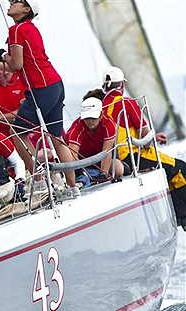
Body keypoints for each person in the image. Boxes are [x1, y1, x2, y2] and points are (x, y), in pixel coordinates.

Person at [0, 0, 77, 192]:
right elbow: (22, 64)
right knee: (57, 138)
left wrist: (3, 56)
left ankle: (41, 180)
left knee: (16, 132)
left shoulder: (16, 30)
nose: (10, 4)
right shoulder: (31, 28)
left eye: (16, 1)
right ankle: (73, 187)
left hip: (40, 88)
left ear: (26, 9)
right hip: (54, 84)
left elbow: (16, 64)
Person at [102, 66, 186, 228]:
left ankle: (180, 216)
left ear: (105, 86)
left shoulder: (102, 106)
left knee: (169, 171)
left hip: (116, 159)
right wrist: (152, 137)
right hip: (132, 154)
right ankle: (183, 218)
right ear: (122, 86)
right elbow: (145, 137)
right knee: (180, 168)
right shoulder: (127, 102)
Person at [66, 97, 123, 187]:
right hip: (84, 163)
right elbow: (73, 154)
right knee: (82, 178)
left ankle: (94, 177)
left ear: (101, 115)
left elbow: (107, 152)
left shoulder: (109, 124)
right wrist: (81, 171)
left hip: (103, 159)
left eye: (93, 118)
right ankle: (85, 179)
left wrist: (104, 174)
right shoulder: (77, 126)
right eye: (87, 118)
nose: (90, 121)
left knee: (119, 169)